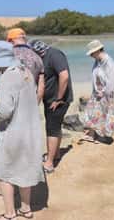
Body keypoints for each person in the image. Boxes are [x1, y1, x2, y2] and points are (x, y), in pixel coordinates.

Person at [0, 41, 44, 220]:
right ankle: (26, 210)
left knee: (5, 173)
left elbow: (4, 112)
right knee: (24, 169)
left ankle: (10, 214)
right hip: (30, 131)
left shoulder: (8, 76)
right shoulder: (26, 71)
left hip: (13, 132)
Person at [28, 39, 73, 173]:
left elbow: (64, 76)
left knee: (51, 128)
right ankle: (56, 154)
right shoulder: (41, 58)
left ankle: (49, 163)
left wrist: (58, 98)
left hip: (58, 100)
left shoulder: (54, 55)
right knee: (54, 126)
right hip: (50, 100)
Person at [0, 28, 45, 103]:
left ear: (10, 41)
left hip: (10, 101)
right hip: (29, 102)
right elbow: (41, 86)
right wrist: (35, 104)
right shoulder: (37, 58)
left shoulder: (8, 55)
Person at [81, 39, 114, 145]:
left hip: (106, 94)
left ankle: (104, 137)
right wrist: (96, 91)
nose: (91, 55)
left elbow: (111, 80)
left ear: (98, 51)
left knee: (106, 115)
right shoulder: (98, 61)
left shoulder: (108, 61)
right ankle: (92, 135)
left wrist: (105, 93)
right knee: (91, 113)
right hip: (97, 93)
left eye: (92, 53)